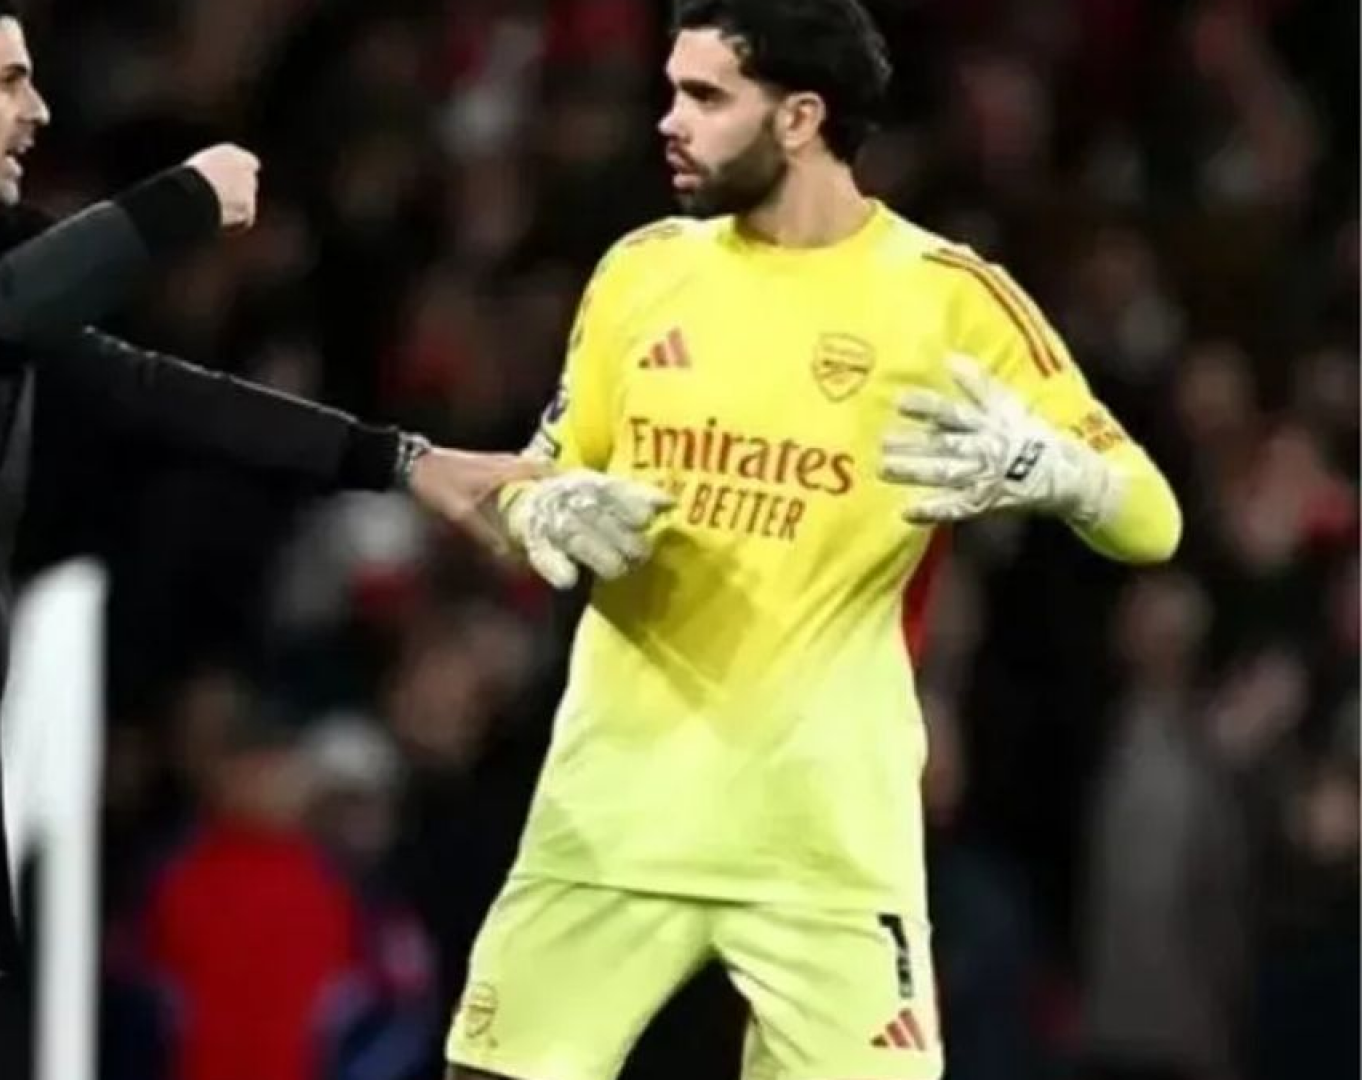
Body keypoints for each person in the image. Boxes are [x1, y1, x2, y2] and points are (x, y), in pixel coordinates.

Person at [0, 1, 542, 1077]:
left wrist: (404, 462)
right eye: (9, 81)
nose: (39, 109)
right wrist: (180, 200)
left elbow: (152, 389)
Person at [450, 2, 1184, 1079]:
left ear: (800, 117)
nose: (668, 120)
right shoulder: (641, 271)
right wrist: (534, 512)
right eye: (671, 90)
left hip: (826, 849)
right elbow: (539, 473)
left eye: (705, 96)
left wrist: (1058, 473)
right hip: (610, 819)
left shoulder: (950, 299)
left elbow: (1153, 518)